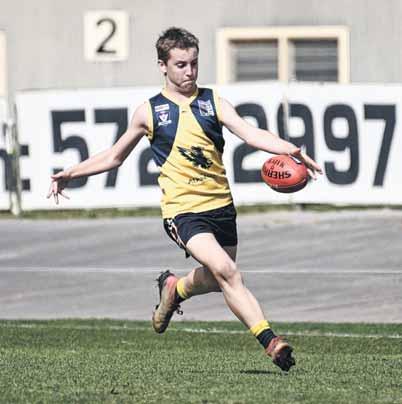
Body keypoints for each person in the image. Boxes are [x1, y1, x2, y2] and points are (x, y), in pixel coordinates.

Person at [47, 27, 322, 372]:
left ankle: (175, 290)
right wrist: (72, 172)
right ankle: (271, 342)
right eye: (180, 65)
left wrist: (291, 150)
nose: (189, 71)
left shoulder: (212, 102)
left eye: (194, 63)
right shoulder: (149, 112)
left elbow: (251, 133)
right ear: (162, 66)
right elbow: (114, 156)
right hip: (183, 211)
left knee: (215, 278)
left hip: (221, 206)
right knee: (228, 272)